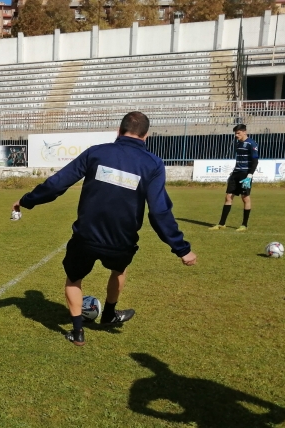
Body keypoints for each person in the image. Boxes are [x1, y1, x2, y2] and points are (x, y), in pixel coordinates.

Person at [12, 111, 197, 346]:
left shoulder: (97, 152)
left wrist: (27, 200)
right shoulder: (153, 164)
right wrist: (181, 249)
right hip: (122, 238)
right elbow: (159, 212)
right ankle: (109, 314)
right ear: (146, 136)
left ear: (118, 131)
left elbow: (57, 183)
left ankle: (78, 332)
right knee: (119, 270)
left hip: (86, 235)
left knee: (73, 279)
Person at [209, 124, 258, 232]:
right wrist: (232, 174)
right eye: (235, 133)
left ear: (244, 132)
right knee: (228, 197)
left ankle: (244, 225)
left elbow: (255, 161)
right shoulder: (237, 144)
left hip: (245, 175)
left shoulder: (251, 143)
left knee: (245, 198)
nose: (236, 135)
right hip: (236, 173)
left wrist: (250, 175)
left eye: (238, 133)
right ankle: (222, 223)